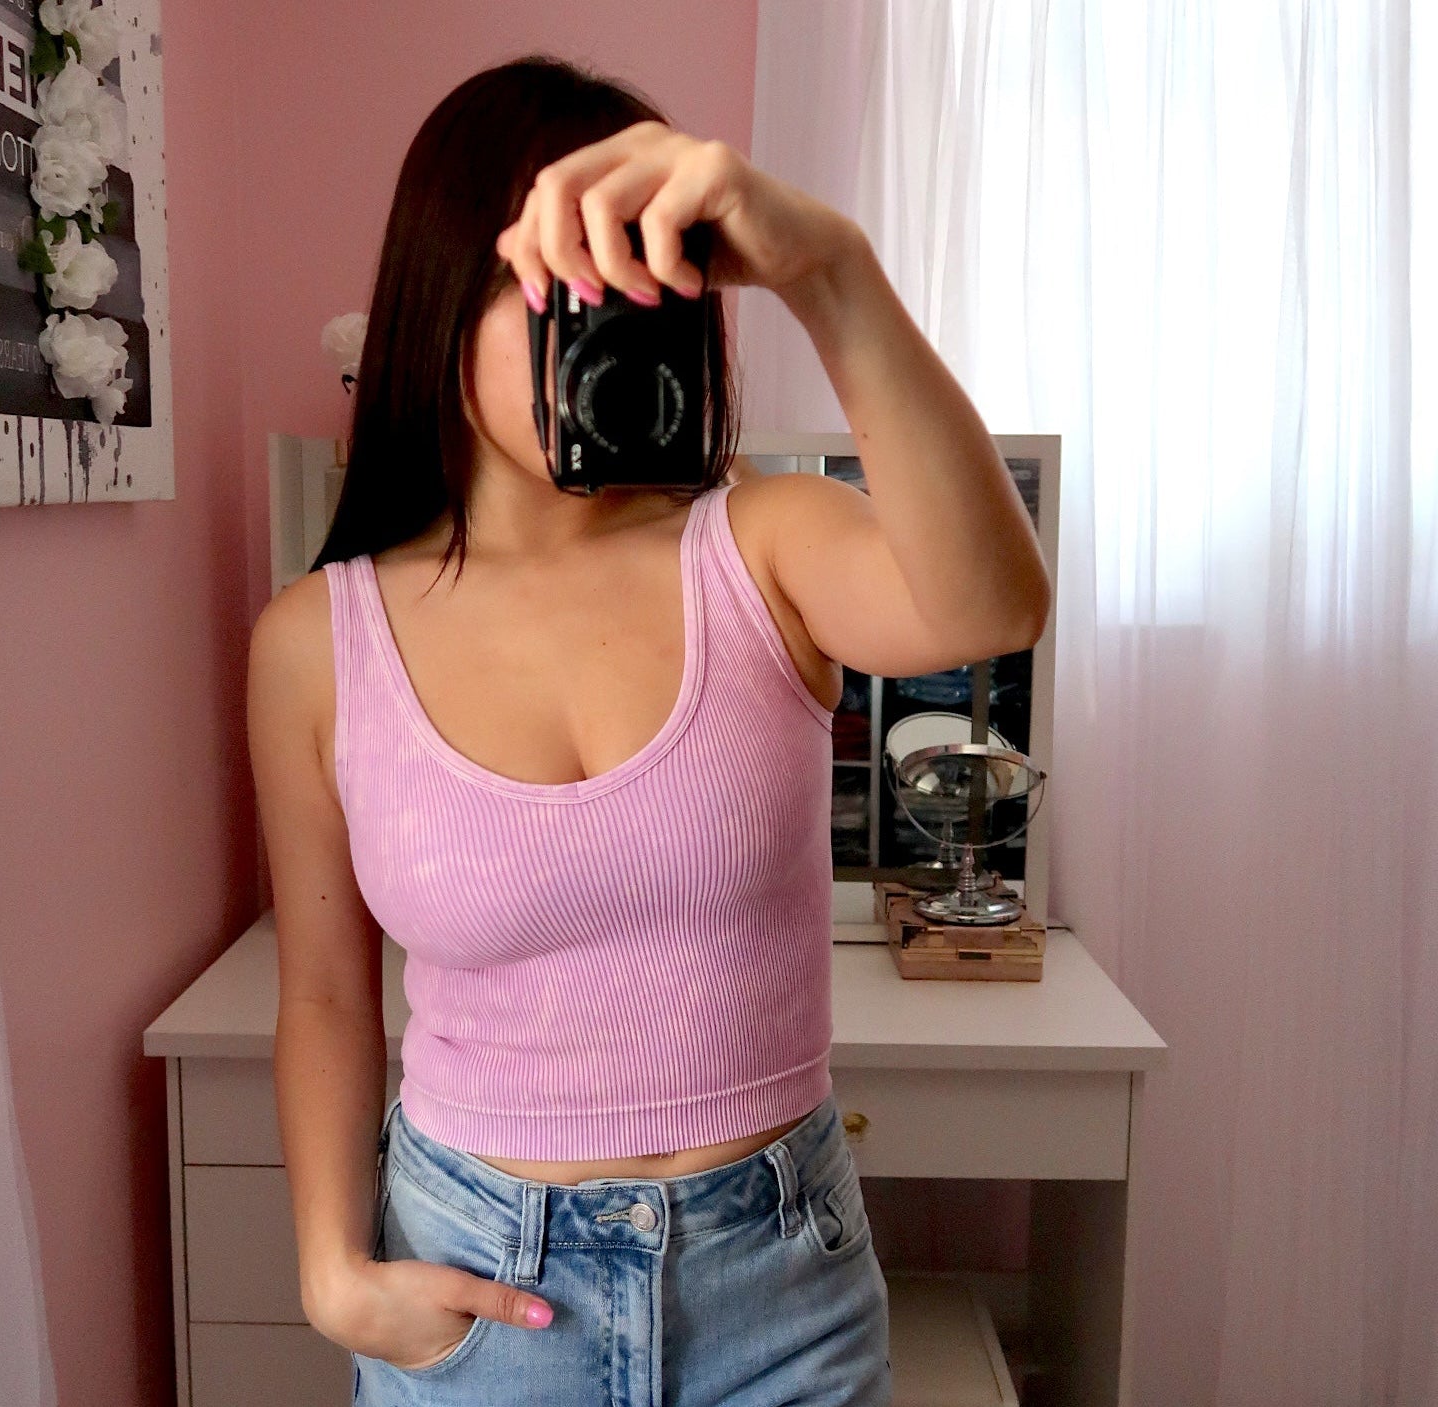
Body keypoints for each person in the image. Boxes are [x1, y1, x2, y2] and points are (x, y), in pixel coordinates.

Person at [246, 54, 1051, 1407]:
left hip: (777, 1291)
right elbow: (325, 992)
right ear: (443, 300)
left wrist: (828, 270)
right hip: (479, 1291)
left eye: (649, 280)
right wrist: (330, 1270)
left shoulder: (763, 544)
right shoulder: (314, 644)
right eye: (563, 284)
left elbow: (992, 604)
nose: (610, 321)